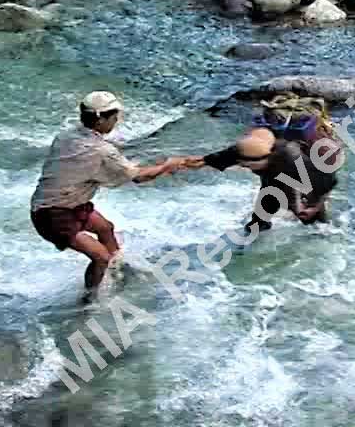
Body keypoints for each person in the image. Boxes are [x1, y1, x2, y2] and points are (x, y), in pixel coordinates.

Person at [30, 91, 200, 290]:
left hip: (65, 203)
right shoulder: (102, 151)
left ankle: (117, 270)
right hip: (52, 215)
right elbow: (139, 177)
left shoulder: (65, 136)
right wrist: (166, 165)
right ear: (101, 120)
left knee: (105, 228)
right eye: (114, 117)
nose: (116, 121)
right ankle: (89, 300)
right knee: (100, 256)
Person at [191, 128, 338, 232]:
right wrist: (177, 163)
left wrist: (315, 207)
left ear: (267, 158)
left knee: (316, 225)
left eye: (248, 165)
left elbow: (330, 181)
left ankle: (324, 240)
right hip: (270, 187)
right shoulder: (244, 151)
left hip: (301, 187)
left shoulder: (293, 159)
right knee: (256, 224)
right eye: (242, 163)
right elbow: (207, 160)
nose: (244, 167)